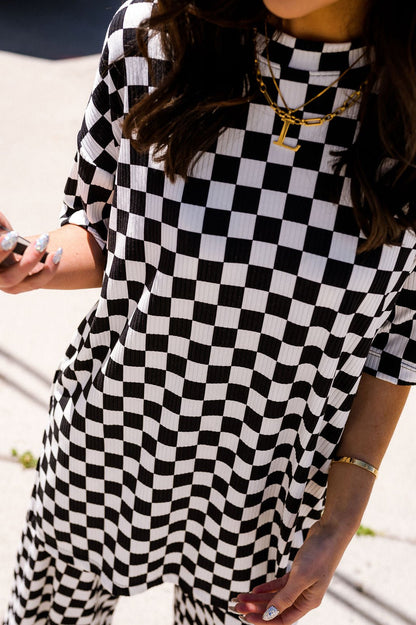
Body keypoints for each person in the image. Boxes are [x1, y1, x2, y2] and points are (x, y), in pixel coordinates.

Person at [1, 0, 415, 623]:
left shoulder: (407, 99)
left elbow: (402, 333)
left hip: (265, 492)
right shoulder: (153, 39)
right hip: (108, 443)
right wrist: (32, 260)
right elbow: (103, 231)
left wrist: (342, 510)